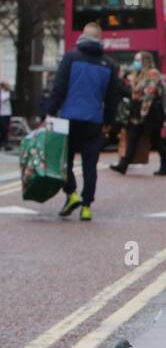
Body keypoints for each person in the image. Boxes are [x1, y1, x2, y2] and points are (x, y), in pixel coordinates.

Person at [47, 22, 120, 221]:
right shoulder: (109, 64)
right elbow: (112, 97)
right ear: (100, 39)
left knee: (65, 160)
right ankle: (87, 206)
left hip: (68, 119)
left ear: (82, 36)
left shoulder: (71, 57)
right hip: (94, 121)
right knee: (90, 164)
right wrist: (108, 121)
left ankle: (71, 194)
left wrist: (50, 112)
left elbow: (59, 87)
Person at [110, 51, 166, 176]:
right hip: (137, 111)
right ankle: (124, 165)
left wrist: (143, 111)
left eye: (138, 60)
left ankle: (165, 165)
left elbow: (150, 93)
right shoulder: (137, 75)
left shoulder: (152, 73)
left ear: (145, 61)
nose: (135, 62)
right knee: (133, 137)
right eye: (135, 60)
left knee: (156, 139)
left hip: (149, 111)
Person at [0, 78, 13, 150]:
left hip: (6, 114)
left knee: (5, 130)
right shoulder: (2, 93)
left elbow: (13, 96)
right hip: (2, 114)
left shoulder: (9, 93)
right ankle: (3, 143)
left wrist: (9, 89)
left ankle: (5, 144)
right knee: (3, 129)